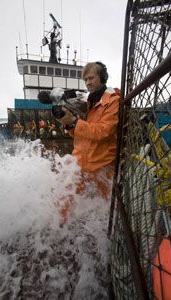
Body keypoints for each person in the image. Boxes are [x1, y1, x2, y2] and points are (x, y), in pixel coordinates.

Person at [52, 61, 120, 222]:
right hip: (80, 159)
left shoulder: (113, 101)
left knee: (108, 205)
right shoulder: (89, 102)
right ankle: (58, 226)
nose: (88, 82)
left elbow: (103, 132)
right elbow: (79, 134)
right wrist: (68, 123)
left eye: (91, 78)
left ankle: (111, 231)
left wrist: (75, 122)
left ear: (103, 77)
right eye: (86, 80)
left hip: (101, 163)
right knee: (64, 198)